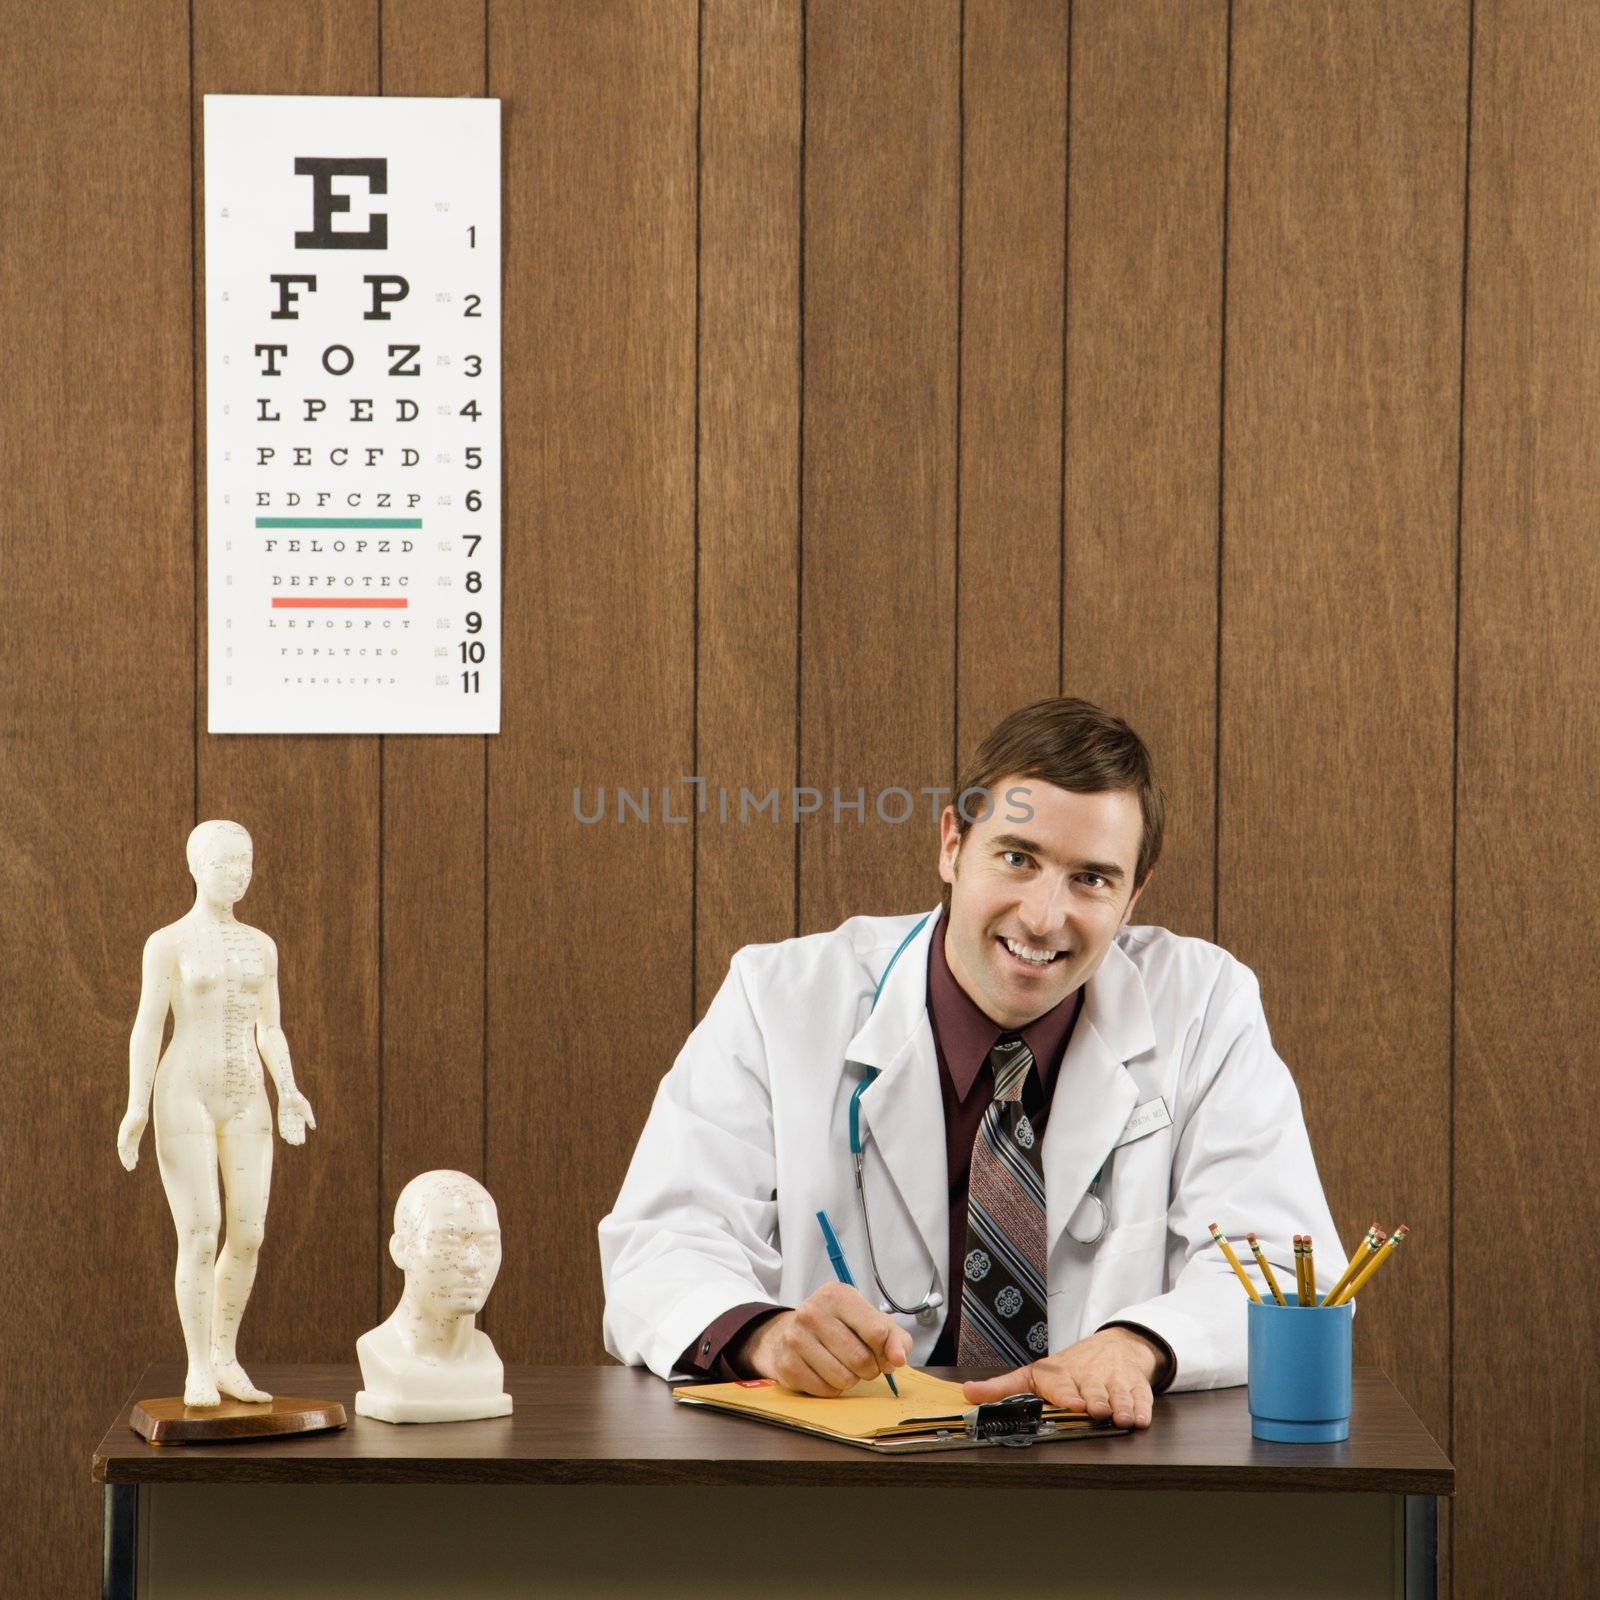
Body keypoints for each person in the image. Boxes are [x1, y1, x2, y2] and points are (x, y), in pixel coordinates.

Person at [599, 698, 1342, 1432]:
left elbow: (1279, 1263)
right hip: (838, 1486)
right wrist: (766, 1333)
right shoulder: (780, 999)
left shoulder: (1205, 1003)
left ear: (1133, 896)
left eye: (1092, 879)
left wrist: (1136, 1345)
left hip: (1099, 1481)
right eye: (1018, 858)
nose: (1044, 917)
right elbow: (661, 1243)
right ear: (952, 844)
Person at [118, 820, 316, 1408]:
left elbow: (271, 1027)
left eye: (246, 861)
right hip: (185, 1091)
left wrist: (289, 1089)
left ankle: (226, 1356)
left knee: (249, 1234)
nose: (239, 873)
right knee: (201, 1234)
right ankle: (197, 1366)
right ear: (196, 867)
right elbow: (147, 1025)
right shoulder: (168, 942)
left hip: (247, 1092)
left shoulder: (261, 945)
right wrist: (135, 1106)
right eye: (226, 862)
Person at [356, 1170, 511, 1423]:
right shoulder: (382, 1355)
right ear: (402, 1250)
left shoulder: (489, 1362)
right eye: (449, 1242)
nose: (473, 1263)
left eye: (487, 1244)